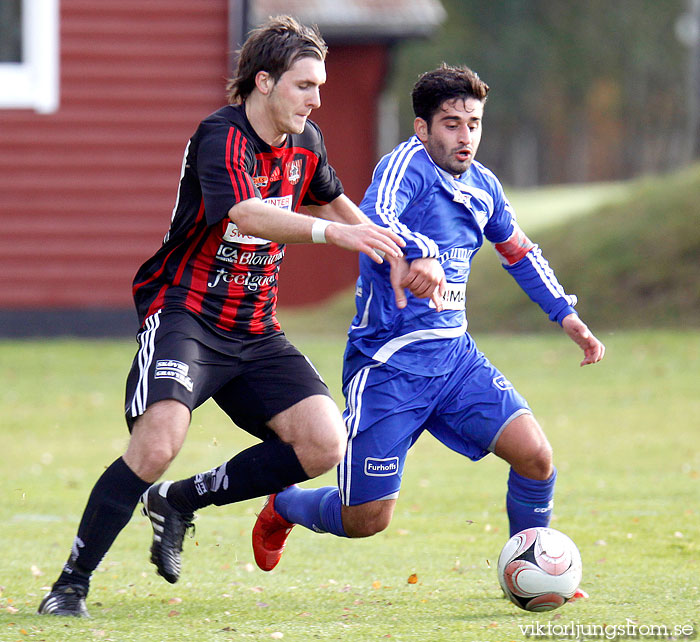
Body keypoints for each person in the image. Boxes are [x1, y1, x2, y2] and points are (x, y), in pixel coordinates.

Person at [37, 15, 406, 617]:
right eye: (304, 86)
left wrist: (397, 252)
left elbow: (345, 209)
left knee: (323, 442)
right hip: (186, 314)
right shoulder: (221, 136)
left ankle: (179, 501)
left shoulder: (305, 142)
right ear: (264, 82)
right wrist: (334, 236)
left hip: (255, 327)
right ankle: (70, 586)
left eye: (320, 87)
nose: (316, 101)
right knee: (158, 442)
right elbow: (245, 214)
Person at [251, 64, 605, 582]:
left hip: (456, 361)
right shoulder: (406, 167)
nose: (466, 137)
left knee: (535, 458)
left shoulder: (484, 186)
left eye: (474, 124)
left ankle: (530, 573)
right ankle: (286, 506)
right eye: (452, 124)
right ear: (423, 128)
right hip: (389, 366)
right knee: (366, 519)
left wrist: (567, 316)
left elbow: (520, 252)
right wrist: (422, 254)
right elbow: (375, 218)